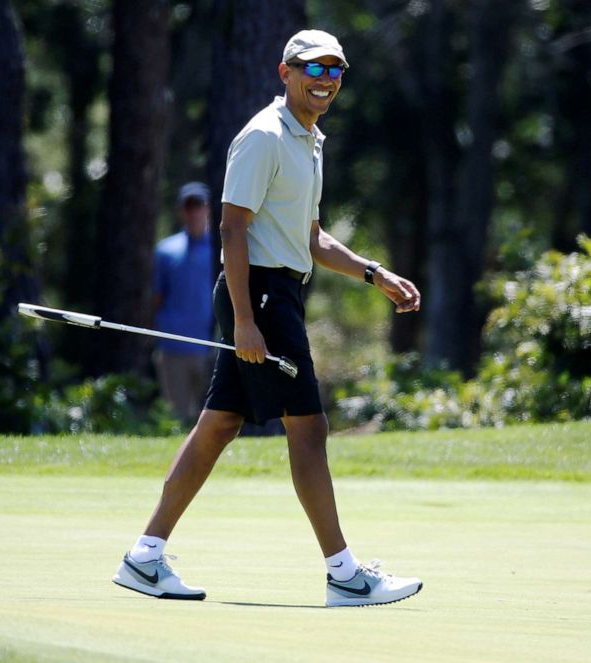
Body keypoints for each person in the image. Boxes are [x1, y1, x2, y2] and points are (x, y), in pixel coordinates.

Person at [113, 29, 423, 607]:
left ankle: (145, 556)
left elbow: (310, 237)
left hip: (275, 293)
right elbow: (232, 228)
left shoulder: (309, 140)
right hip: (257, 296)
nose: (326, 79)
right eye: (314, 68)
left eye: (336, 70)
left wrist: (374, 274)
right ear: (286, 72)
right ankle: (344, 575)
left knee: (219, 424)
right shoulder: (262, 136)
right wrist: (245, 321)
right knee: (308, 428)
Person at [151, 182, 215, 423]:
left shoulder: (221, 248)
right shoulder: (165, 251)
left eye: (199, 206)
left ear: (207, 209)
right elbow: (157, 298)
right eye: (189, 207)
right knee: (178, 418)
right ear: (181, 211)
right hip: (173, 347)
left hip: (210, 346)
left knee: (211, 419)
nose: (194, 213)